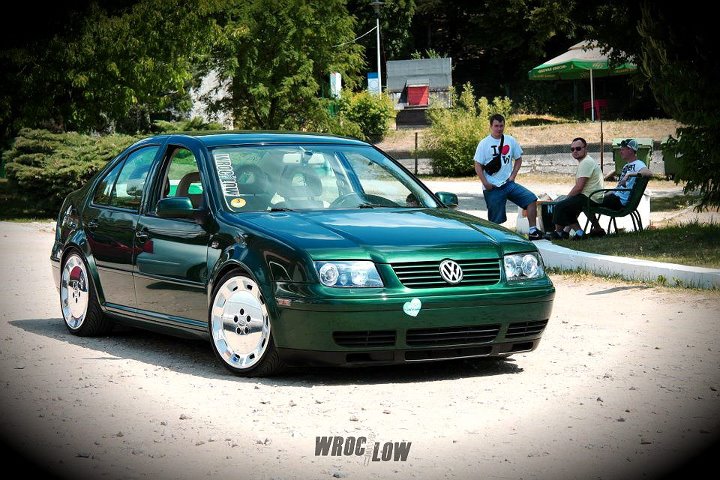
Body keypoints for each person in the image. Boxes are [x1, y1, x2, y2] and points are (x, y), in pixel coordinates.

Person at [473, 114, 544, 240]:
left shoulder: (510, 140)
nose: (499, 129)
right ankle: (496, 239)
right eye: (496, 126)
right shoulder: (484, 143)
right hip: (492, 186)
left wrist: (513, 176)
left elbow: (518, 159)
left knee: (531, 199)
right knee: (496, 220)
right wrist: (485, 183)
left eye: (501, 126)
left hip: (508, 183)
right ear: (490, 126)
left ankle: (533, 231)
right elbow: (477, 165)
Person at [545, 137, 605, 240]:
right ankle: (565, 232)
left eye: (578, 148)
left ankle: (565, 233)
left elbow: (579, 187)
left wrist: (567, 198)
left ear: (585, 148)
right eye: (572, 149)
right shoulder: (586, 161)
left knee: (560, 206)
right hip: (592, 196)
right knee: (567, 205)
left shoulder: (586, 162)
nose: (575, 151)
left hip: (590, 197)